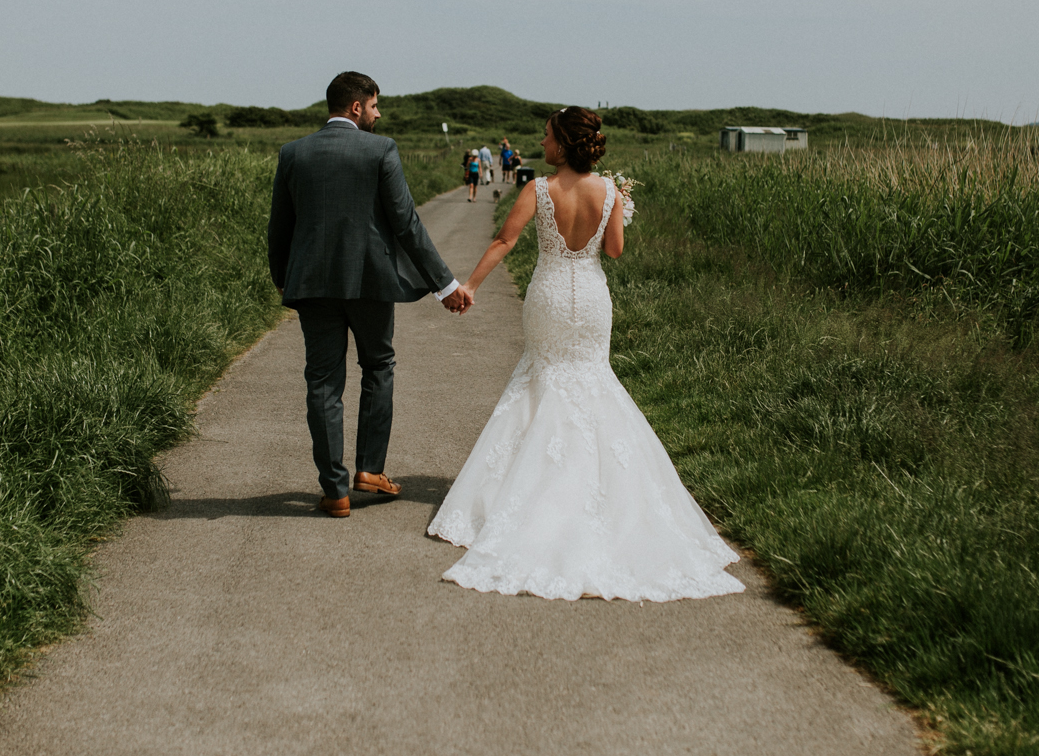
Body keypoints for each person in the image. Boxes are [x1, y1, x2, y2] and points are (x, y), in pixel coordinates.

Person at [428, 107, 744, 602]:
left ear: (562, 144)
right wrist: (619, 212)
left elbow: (505, 239)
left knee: (543, 379)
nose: (543, 141)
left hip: (550, 296)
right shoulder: (611, 191)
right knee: (593, 382)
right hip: (592, 300)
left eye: (547, 136)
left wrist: (470, 284)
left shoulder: (538, 190)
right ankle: (604, 497)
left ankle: (531, 491)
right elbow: (614, 251)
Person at [268, 72, 471, 519]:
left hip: (312, 285)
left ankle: (335, 491)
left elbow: (279, 226)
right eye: (376, 106)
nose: (379, 114)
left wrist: (284, 277)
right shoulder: (380, 149)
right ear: (357, 107)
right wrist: (445, 285)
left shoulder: (293, 153)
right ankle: (370, 470)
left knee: (323, 381)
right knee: (378, 365)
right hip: (369, 283)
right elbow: (406, 223)